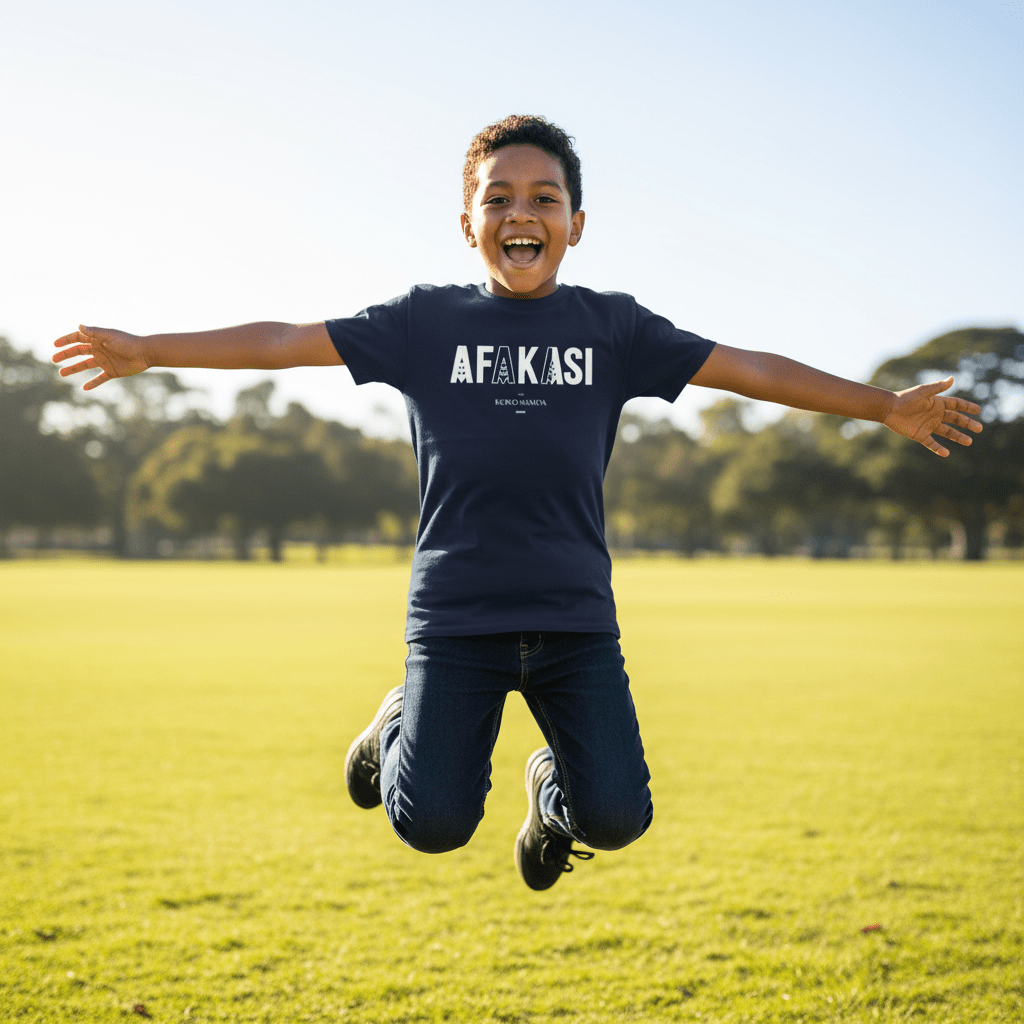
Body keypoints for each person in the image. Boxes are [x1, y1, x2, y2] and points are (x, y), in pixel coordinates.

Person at [53, 115, 983, 891]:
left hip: (575, 619)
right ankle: (398, 724)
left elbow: (749, 369)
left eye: (543, 198)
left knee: (617, 818)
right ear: (468, 224)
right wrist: (154, 348)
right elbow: (285, 339)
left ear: (577, 224)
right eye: (497, 198)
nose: (520, 213)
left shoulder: (614, 328)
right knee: (433, 828)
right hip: (456, 619)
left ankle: (553, 788)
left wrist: (881, 405)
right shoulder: (425, 323)